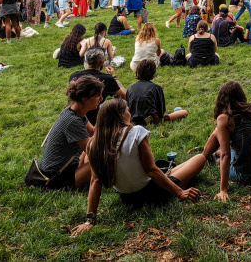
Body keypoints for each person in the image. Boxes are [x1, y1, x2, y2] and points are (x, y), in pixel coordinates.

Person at [71, 98, 206, 235]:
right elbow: (151, 171)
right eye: (128, 110)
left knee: (167, 170)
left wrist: (90, 220)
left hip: (126, 198)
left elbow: (95, 181)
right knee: (199, 158)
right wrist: (180, 193)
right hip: (154, 193)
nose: (130, 113)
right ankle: (170, 179)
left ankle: (167, 176)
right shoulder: (136, 132)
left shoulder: (94, 144)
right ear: (121, 114)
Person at [188, 81, 251, 203]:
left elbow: (226, 155)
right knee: (236, 140)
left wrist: (223, 190)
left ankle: (203, 157)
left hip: (249, 174)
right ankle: (210, 156)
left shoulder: (224, 119)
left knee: (217, 132)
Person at [36, 75, 104, 190]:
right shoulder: (73, 121)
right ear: (85, 99)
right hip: (55, 179)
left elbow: (92, 131)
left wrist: (102, 115)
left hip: (64, 169)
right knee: (103, 159)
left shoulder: (75, 111)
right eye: (98, 95)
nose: (101, 98)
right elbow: (94, 152)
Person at [70, 47, 126, 124]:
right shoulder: (106, 79)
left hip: (74, 114)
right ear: (101, 62)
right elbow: (124, 95)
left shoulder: (74, 76)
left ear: (86, 61)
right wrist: (114, 77)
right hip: (94, 118)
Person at [127, 60, 189, 125]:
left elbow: (128, 107)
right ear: (153, 72)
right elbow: (161, 110)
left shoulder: (130, 87)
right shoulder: (156, 87)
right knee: (184, 112)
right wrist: (160, 121)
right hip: (153, 120)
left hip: (134, 121)